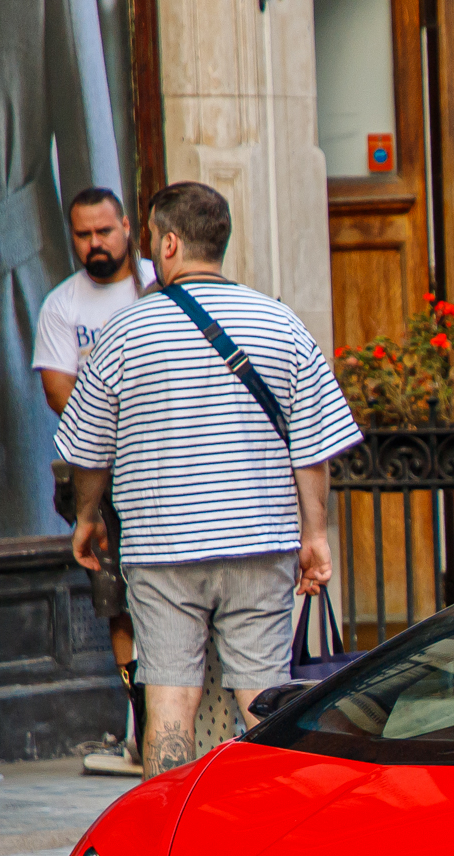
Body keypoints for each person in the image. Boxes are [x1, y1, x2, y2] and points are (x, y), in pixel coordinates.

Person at [55, 181, 357, 776]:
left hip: (163, 549)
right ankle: (277, 826)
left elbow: (88, 450)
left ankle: (168, 845)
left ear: (169, 244)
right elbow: (314, 445)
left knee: (168, 700)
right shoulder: (281, 324)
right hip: (258, 543)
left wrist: (89, 518)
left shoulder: (125, 332)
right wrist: (314, 535)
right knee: (265, 699)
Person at [33, 186, 154, 778]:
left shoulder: (162, 286)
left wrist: (103, 393)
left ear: (127, 227)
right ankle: (141, 723)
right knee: (119, 606)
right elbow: (59, 394)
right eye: (83, 234)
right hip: (100, 480)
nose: (95, 243)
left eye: (104, 231)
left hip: (167, 474)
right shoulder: (63, 305)